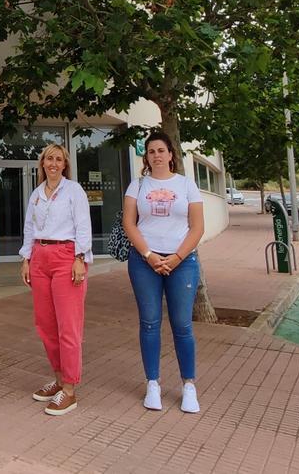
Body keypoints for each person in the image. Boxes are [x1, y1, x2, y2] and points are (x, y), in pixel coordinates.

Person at [122, 131, 205, 413]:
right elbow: (129, 224)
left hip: (182, 263)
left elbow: (197, 227)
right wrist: (149, 255)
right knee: (149, 323)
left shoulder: (187, 185)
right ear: (146, 157)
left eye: (161, 150)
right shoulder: (137, 185)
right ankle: (153, 384)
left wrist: (177, 257)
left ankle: (188, 386)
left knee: (182, 325)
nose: (156, 155)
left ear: (171, 154)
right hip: (144, 262)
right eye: (151, 151)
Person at [19, 143, 91, 416]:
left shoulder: (74, 191)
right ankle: (59, 379)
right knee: (45, 324)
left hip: (66, 256)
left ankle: (70, 390)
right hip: (40, 256)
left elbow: (83, 225)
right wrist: (26, 258)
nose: (53, 163)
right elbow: (29, 228)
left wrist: (80, 258)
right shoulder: (37, 194)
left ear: (64, 164)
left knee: (68, 326)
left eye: (58, 159)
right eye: (49, 158)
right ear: (43, 163)